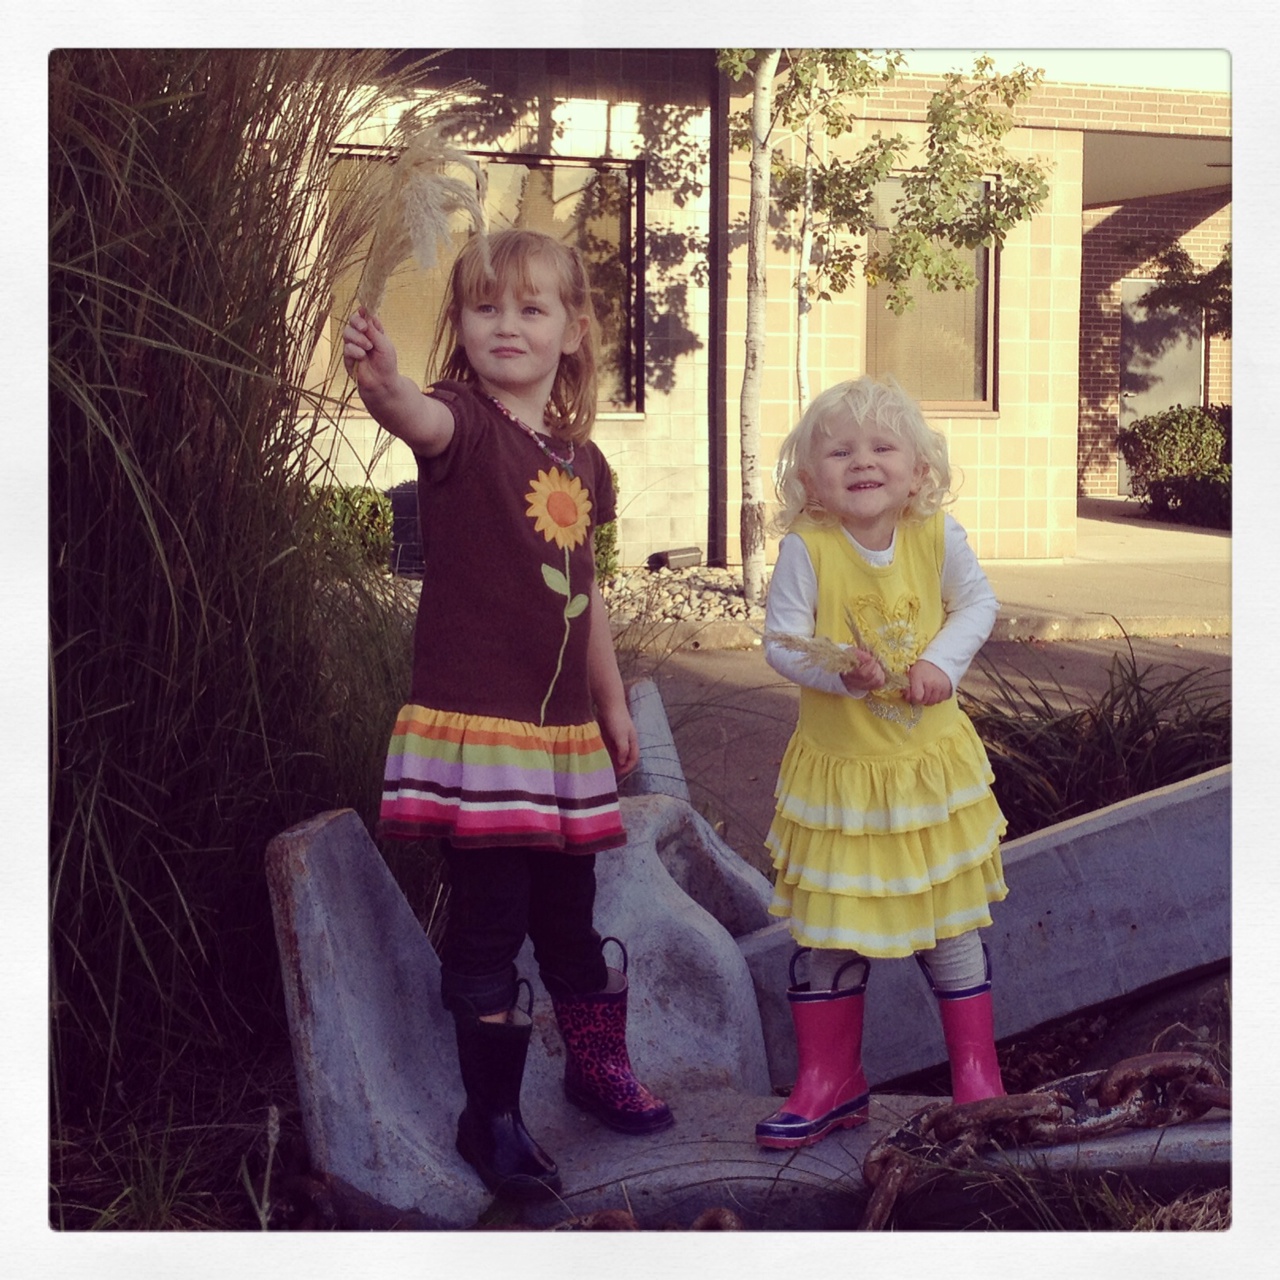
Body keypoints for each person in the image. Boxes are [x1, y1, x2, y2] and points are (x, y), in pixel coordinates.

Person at [342, 228, 672, 1201]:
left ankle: (594, 1066)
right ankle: (487, 1116)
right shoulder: (460, 422)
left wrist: (609, 700)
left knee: (570, 916)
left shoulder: (584, 462)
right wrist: (381, 384)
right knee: (490, 922)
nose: (507, 325)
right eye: (485, 306)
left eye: (532, 308)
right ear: (461, 323)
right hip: (482, 741)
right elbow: (411, 414)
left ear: (574, 330)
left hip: (561, 743)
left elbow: (586, 594)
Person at [755, 375, 1009, 1150]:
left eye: (882, 447)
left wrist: (941, 663)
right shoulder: (808, 549)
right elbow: (781, 642)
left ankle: (978, 1078)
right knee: (832, 930)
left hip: (928, 774)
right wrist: (840, 670)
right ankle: (831, 1081)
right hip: (843, 782)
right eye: (840, 452)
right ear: (810, 479)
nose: (862, 461)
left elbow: (978, 604)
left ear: (918, 470)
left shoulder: (937, 536)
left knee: (949, 920)